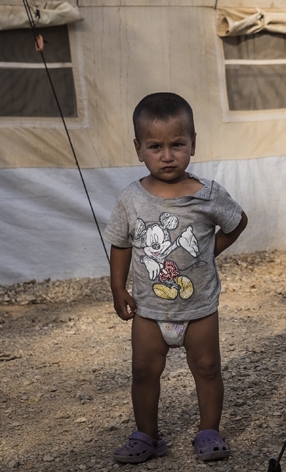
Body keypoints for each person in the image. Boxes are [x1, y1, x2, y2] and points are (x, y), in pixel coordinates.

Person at [105, 92, 248, 463]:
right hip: (150, 311)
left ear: (193, 144)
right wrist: (118, 286)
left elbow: (237, 222)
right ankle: (147, 436)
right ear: (138, 149)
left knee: (207, 368)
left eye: (177, 144)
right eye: (155, 146)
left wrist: (209, 250)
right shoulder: (131, 199)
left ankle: (209, 431)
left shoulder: (207, 195)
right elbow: (120, 244)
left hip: (199, 307)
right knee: (143, 371)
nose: (167, 155)